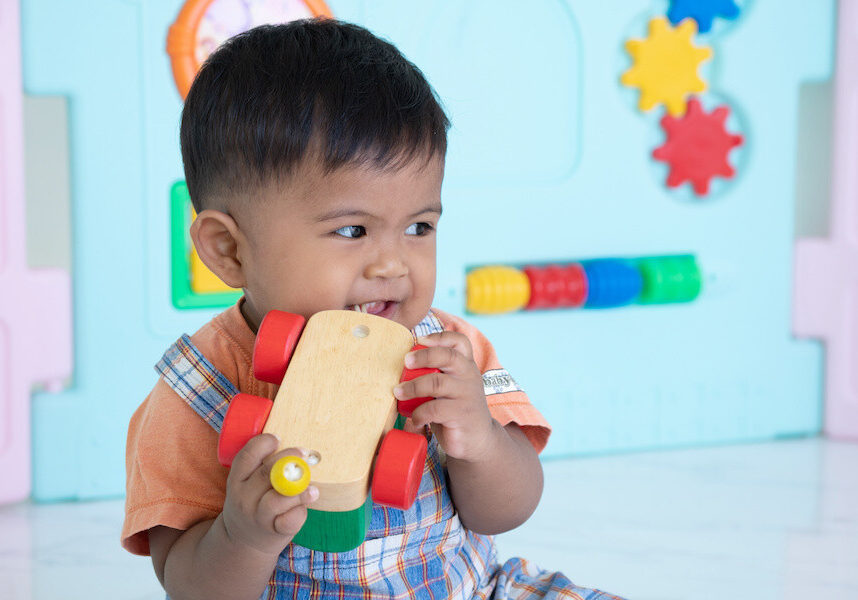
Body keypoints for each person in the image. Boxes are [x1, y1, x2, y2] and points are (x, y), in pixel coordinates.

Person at [122, 18, 625, 600]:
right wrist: (244, 534)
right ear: (230, 250)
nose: (393, 265)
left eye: (418, 226)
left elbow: (507, 511)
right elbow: (190, 588)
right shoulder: (194, 393)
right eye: (352, 229)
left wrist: (480, 437)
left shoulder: (448, 349)